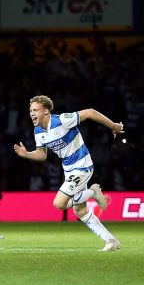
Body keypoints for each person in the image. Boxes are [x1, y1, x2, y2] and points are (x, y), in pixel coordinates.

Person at [13, 95, 123, 252]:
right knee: (80, 210)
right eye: (30, 110)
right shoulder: (38, 131)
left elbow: (90, 112)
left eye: (35, 110)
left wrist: (112, 125)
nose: (31, 113)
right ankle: (111, 241)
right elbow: (42, 154)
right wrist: (26, 154)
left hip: (82, 165)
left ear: (45, 111)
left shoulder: (63, 120)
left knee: (59, 203)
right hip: (69, 170)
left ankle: (93, 192)